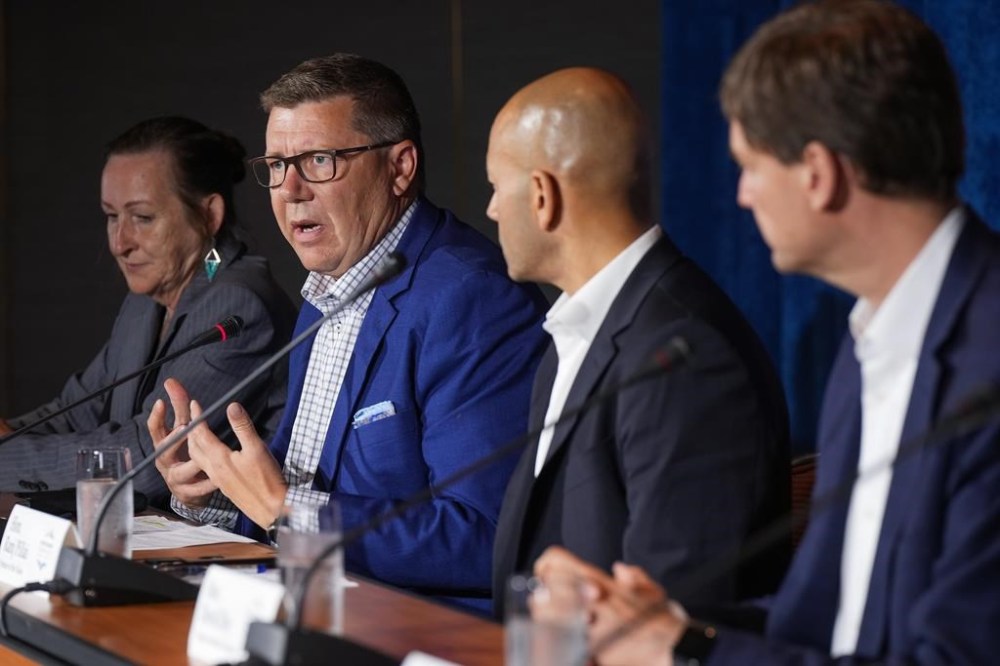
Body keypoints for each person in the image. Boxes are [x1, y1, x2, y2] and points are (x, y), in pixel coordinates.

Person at [536, 1, 1000, 664]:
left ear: (818, 173)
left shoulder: (987, 357)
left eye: (750, 166)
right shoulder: (870, 339)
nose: (742, 197)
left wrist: (686, 651)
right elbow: (825, 619)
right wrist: (648, 621)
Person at [149, 54, 549, 611]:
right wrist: (216, 489)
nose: (290, 191)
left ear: (400, 167)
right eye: (276, 165)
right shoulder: (330, 287)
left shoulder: (471, 299)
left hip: (417, 630)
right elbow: (295, 488)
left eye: (318, 161)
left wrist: (285, 508)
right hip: (313, 606)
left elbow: (487, 535)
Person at [486, 67, 791, 618]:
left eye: (494, 187)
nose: (489, 210)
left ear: (541, 196)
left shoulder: (687, 353)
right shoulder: (571, 331)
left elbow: (675, 612)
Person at [0, 116, 296, 506]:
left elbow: (151, 456)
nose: (120, 243)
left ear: (209, 215)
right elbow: (79, 408)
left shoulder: (239, 305)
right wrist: (11, 437)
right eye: (111, 216)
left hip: (238, 549)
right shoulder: (148, 298)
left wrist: (7, 460)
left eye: (142, 218)